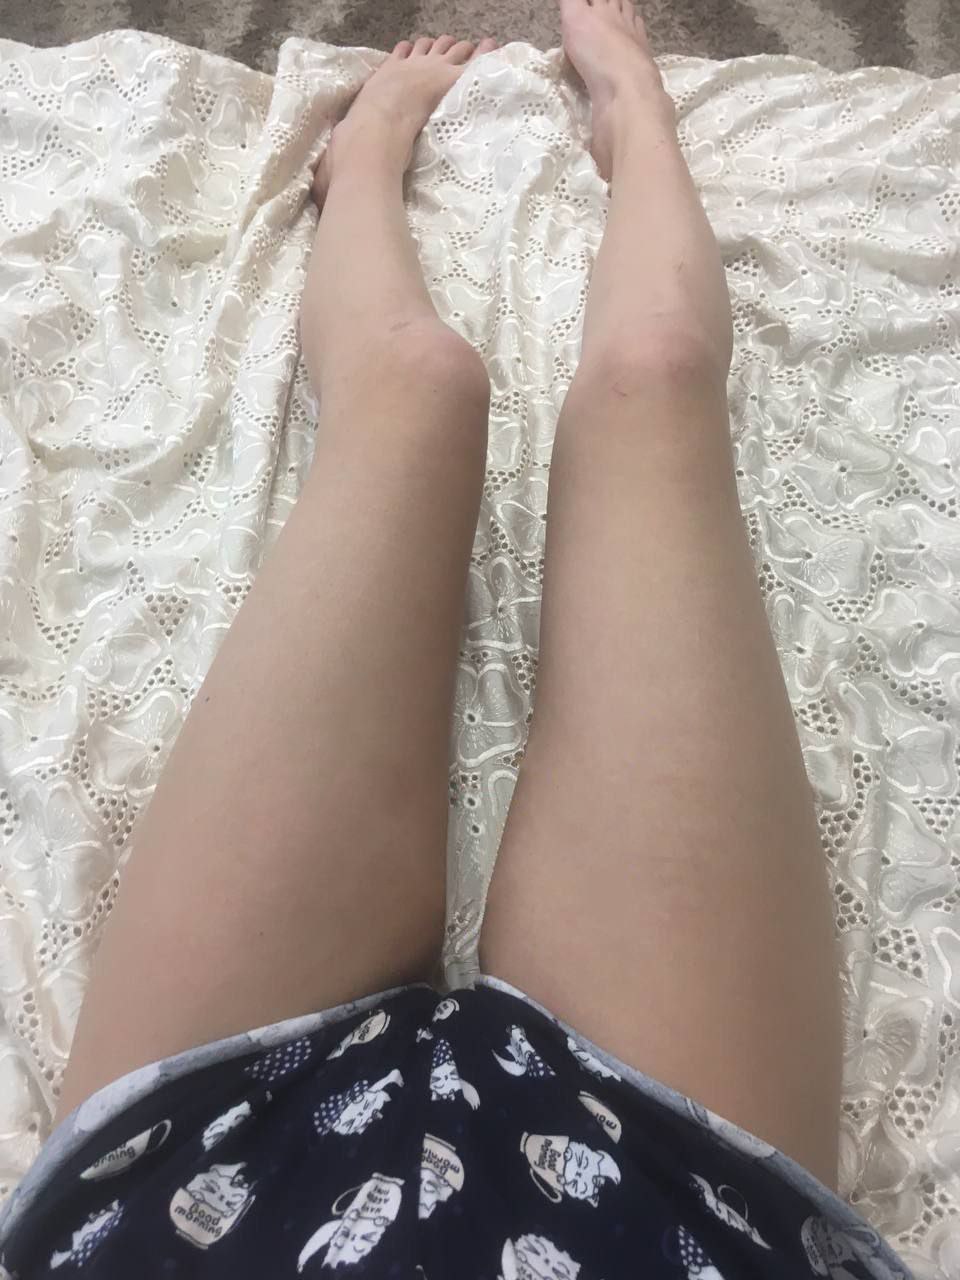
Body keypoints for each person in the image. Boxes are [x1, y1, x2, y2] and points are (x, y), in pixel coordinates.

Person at [0, 2, 913, 1277]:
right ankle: (512, 135)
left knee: (420, 389)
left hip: (183, 1190)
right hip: (687, 1222)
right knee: (634, 376)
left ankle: (593, 124)